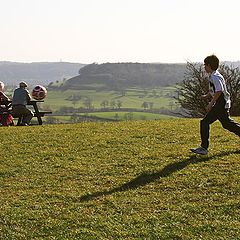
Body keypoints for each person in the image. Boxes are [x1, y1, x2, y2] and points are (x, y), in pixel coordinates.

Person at [191, 55, 240, 155]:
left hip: (220, 104)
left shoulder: (214, 76)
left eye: (205, 65)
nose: (204, 67)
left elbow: (219, 91)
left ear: (209, 65)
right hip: (221, 104)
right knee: (227, 124)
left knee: (205, 122)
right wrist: (206, 96)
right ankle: (203, 147)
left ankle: (204, 148)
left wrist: (211, 103)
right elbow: (214, 90)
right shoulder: (215, 75)